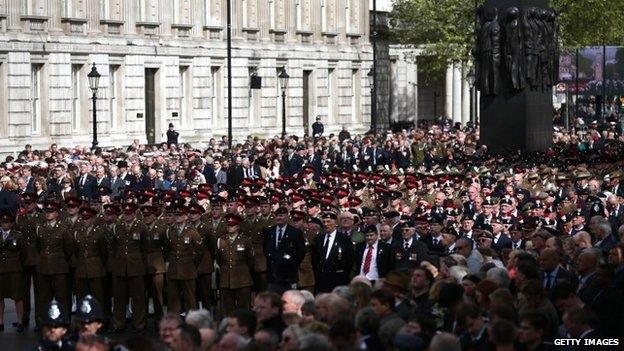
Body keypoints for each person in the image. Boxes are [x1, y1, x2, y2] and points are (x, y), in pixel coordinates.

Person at [263, 207, 306, 294]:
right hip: (272, 274)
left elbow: (301, 252)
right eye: (277, 216)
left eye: (281, 216)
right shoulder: (269, 232)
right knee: (273, 300)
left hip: (289, 275)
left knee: (289, 300)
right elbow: (265, 249)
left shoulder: (295, 232)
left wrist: (292, 264)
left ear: (287, 217)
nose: (279, 218)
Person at [0, 213, 26, 332]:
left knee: (18, 297)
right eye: (3, 222)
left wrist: (18, 265)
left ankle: (20, 321)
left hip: (14, 269)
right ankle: (0, 322)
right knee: (0, 298)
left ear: (11, 223)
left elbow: (23, 253)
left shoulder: (18, 235)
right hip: (0, 269)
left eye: (7, 222)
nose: (5, 224)